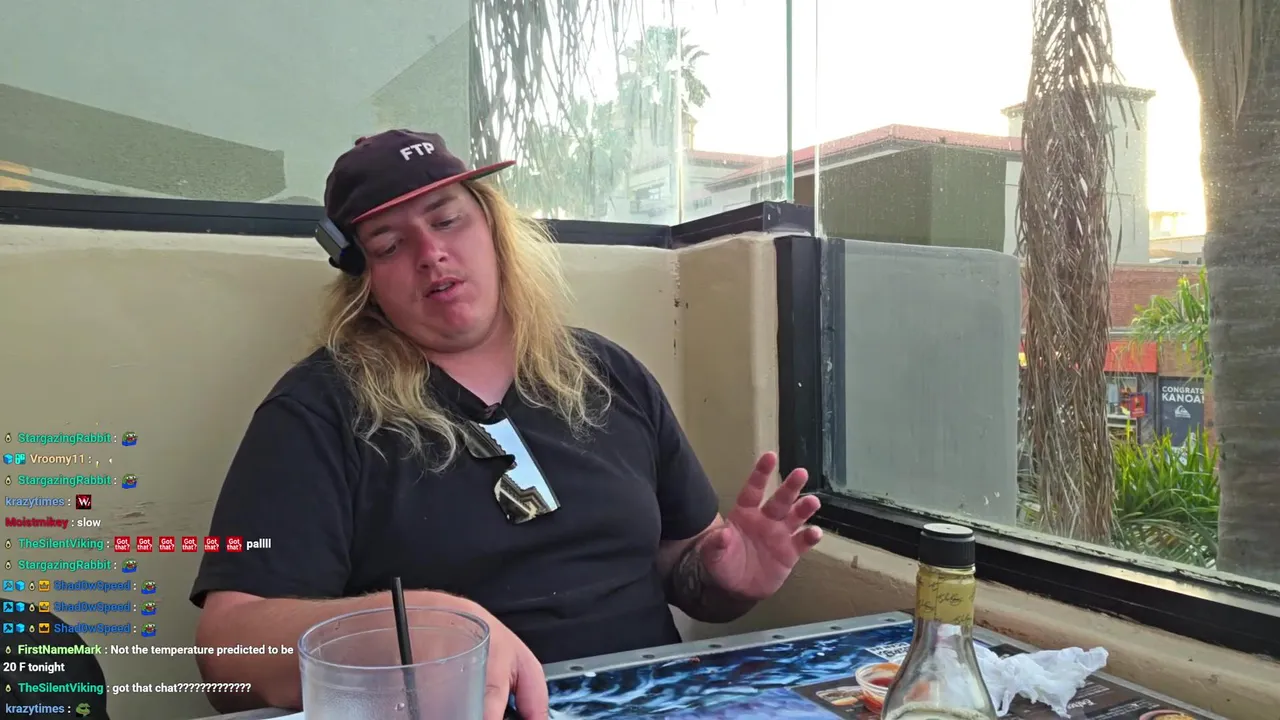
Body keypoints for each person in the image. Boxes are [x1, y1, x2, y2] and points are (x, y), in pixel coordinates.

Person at [189, 129, 823, 719]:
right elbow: (227, 653)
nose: (431, 254)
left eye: (447, 220)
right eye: (388, 244)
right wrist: (407, 629)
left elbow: (682, 564)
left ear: (493, 228)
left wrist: (727, 578)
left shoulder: (608, 372)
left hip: (652, 703)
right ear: (365, 279)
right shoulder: (317, 411)